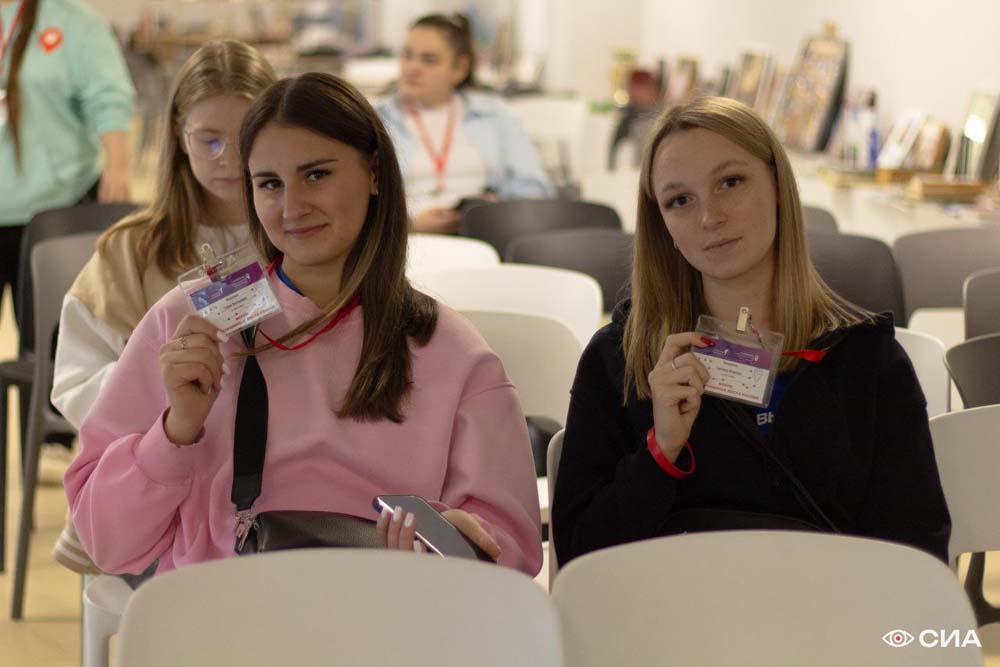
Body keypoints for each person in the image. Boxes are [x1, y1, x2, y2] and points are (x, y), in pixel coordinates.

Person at [64, 72, 543, 576]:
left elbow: (509, 552)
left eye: (316, 175)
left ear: (375, 173)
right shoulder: (191, 324)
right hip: (225, 610)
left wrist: (451, 544)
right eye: (269, 184)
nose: (293, 208)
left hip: (392, 612)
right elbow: (105, 542)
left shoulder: (452, 353)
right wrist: (175, 430)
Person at [552, 96, 950, 567]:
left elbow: (916, 558)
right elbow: (579, 559)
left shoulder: (867, 362)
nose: (710, 217)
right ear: (663, 226)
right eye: (680, 200)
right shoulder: (620, 361)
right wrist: (661, 450)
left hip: (832, 610)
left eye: (731, 182)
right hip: (667, 610)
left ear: (778, 186)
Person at [50, 39, 276, 574]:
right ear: (178, 135)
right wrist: (165, 388)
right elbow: (77, 383)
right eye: (209, 140)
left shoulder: (300, 237)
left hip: (275, 485)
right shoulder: (131, 251)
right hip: (161, 490)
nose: (229, 159)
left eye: (246, 138)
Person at [0, 0, 134, 318]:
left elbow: (108, 97)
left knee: (48, 335)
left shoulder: (73, 20)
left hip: (54, 209)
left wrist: (117, 166)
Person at [375, 13, 552, 233]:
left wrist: (498, 210)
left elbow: (534, 189)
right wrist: (409, 224)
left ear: (459, 68)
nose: (412, 67)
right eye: (407, 55)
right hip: (404, 237)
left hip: (484, 234)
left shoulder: (496, 116)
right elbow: (360, 202)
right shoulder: (376, 120)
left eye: (429, 60)